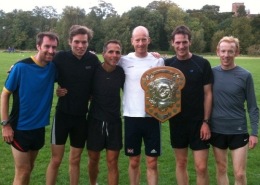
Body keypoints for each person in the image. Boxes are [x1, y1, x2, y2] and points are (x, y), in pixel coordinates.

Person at [0, 31, 59, 185]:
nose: (51, 51)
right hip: (20, 128)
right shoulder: (20, 67)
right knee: (23, 171)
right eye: (47, 46)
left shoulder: (52, 68)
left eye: (54, 47)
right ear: (38, 46)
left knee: (29, 168)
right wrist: (5, 124)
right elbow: (4, 95)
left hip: (39, 127)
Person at [46, 25, 100, 185]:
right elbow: (40, 62)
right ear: (70, 42)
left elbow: (105, 74)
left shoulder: (92, 60)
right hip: (62, 116)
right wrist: (17, 65)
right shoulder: (60, 57)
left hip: (81, 118)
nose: (80, 46)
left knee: (75, 160)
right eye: (77, 42)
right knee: (56, 160)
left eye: (84, 42)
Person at [164, 25, 213, 185]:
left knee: (201, 167)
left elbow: (208, 94)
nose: (181, 46)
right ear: (172, 43)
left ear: (190, 42)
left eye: (184, 42)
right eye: (178, 42)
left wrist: (206, 122)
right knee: (181, 163)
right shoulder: (167, 64)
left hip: (199, 124)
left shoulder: (202, 63)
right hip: (177, 122)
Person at [118, 25, 164, 185]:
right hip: (131, 117)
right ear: (132, 41)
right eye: (137, 40)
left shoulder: (158, 60)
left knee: (152, 162)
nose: (141, 43)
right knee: (134, 161)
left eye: (144, 39)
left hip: (152, 116)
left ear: (149, 40)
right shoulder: (124, 60)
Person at [210, 36, 259, 185]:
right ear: (218, 52)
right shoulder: (211, 74)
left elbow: (252, 106)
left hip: (238, 130)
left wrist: (254, 133)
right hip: (217, 129)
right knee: (222, 169)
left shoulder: (245, 76)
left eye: (230, 51)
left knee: (239, 174)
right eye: (223, 51)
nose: (226, 55)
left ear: (236, 52)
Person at [87, 40, 125, 185]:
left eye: (117, 52)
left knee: (112, 162)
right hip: (94, 121)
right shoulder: (94, 70)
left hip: (114, 122)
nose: (114, 55)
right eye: (111, 52)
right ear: (103, 54)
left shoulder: (121, 72)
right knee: (94, 159)